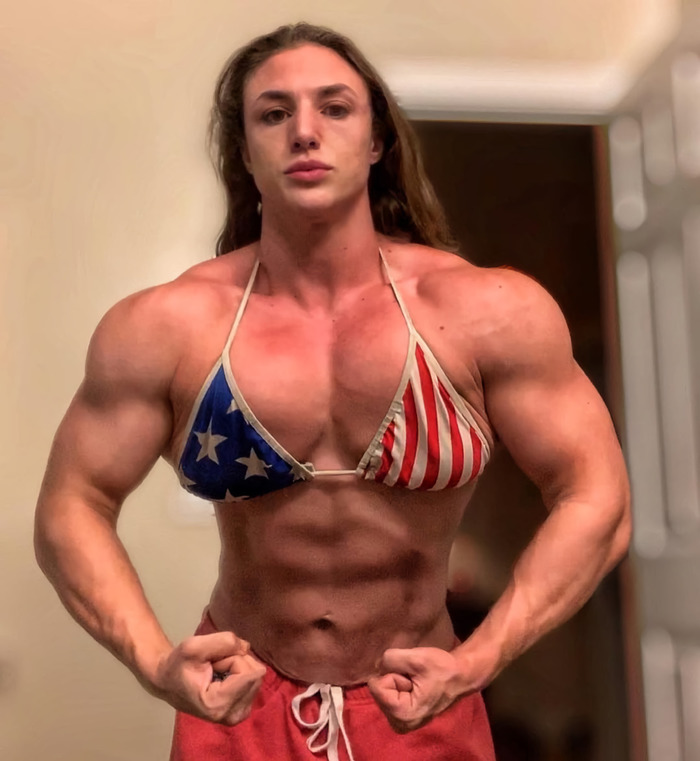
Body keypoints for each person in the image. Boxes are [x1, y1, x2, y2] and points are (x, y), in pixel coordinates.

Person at [34, 21, 631, 761]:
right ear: (244, 150)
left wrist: (479, 660)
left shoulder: (488, 312)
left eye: (335, 107)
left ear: (377, 140)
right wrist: (156, 661)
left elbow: (596, 497)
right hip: (240, 706)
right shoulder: (167, 327)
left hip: (423, 698)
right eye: (274, 113)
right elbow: (72, 505)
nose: (305, 131)